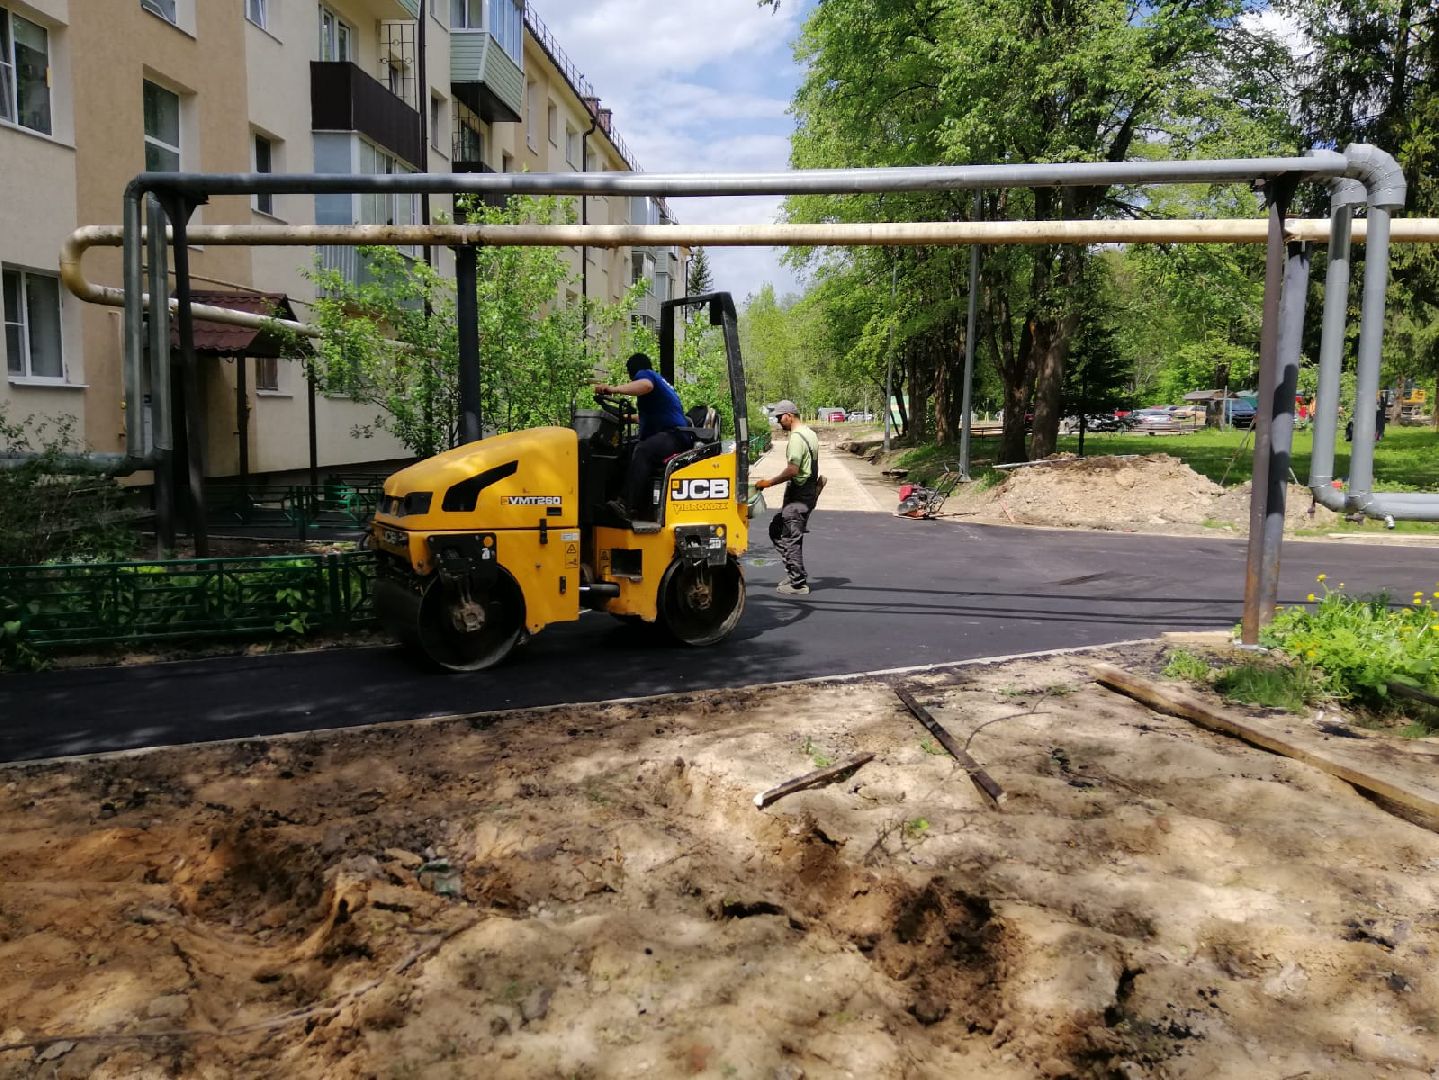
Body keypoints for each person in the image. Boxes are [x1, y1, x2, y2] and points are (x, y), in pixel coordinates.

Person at [594, 352, 694, 522]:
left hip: (675, 436)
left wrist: (614, 389)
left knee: (643, 450)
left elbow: (645, 385)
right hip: (669, 434)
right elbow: (649, 416)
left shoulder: (646, 375)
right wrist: (626, 419)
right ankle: (622, 505)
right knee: (623, 450)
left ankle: (625, 504)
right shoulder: (661, 387)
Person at [754, 401, 820, 595]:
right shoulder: (810, 434)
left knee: (790, 537)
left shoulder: (797, 438)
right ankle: (794, 571)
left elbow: (793, 470)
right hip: (806, 491)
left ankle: (798, 583)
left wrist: (769, 482)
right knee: (777, 528)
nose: (777, 422)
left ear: (789, 415)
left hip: (799, 494)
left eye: (779, 417)